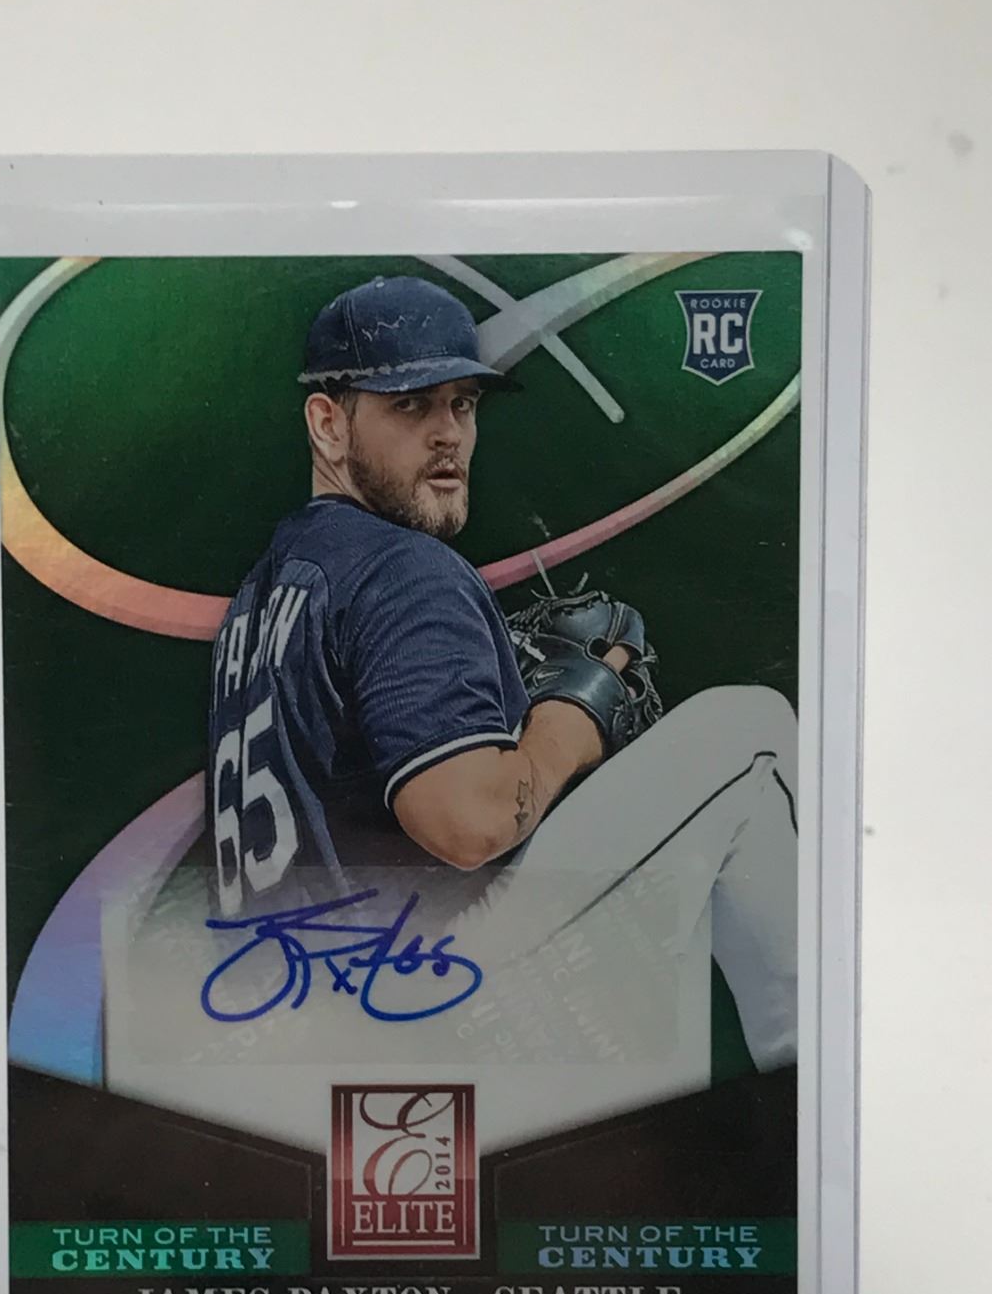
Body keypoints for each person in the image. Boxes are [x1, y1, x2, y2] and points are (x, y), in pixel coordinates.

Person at [203, 274, 798, 1075]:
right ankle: (804, 1091)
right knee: (751, 733)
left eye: (462, 404)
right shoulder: (401, 570)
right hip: (414, 993)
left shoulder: (261, 595)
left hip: (292, 1022)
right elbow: (471, 825)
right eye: (410, 405)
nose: (447, 433)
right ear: (328, 424)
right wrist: (570, 716)